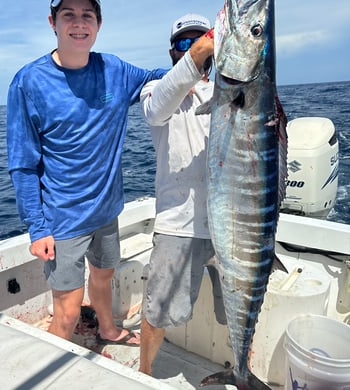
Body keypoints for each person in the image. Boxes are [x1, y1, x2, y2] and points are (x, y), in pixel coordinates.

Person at [6, 0, 167, 345]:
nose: (79, 24)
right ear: (53, 21)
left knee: (104, 276)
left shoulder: (115, 70)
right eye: (69, 15)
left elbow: (157, 78)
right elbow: (22, 164)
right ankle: (49, 369)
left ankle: (108, 329)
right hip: (62, 222)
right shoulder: (28, 82)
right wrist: (37, 228)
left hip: (107, 212)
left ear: (99, 23)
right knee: (67, 311)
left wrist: (204, 62)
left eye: (87, 16)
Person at [139, 14, 226, 375]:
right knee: (157, 311)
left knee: (240, 313)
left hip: (233, 225)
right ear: (173, 51)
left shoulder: (229, 91)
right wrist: (196, 58)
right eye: (184, 44)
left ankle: (243, 372)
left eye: (200, 41)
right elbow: (157, 108)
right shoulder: (157, 91)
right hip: (180, 226)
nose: (193, 48)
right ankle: (141, 374)